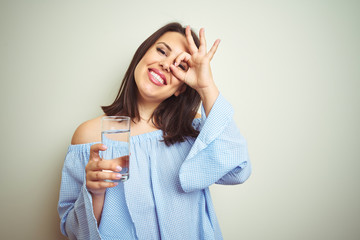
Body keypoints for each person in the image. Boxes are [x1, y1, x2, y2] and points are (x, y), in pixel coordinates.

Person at [58, 22, 252, 240]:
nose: (167, 65)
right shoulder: (90, 136)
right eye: (162, 51)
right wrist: (95, 194)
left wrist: (206, 87)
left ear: (182, 88)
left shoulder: (193, 131)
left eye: (181, 66)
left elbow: (238, 171)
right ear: (142, 54)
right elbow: (74, 233)